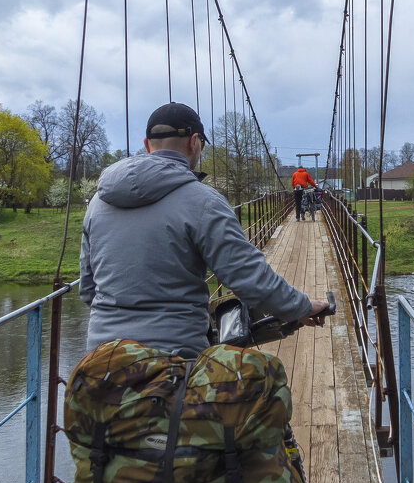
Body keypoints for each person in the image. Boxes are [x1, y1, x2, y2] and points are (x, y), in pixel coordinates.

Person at [80, 102, 329, 356]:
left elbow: (88, 289)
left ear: (147, 145)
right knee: (268, 379)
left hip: (100, 365)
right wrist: (301, 306)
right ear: (194, 142)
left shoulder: (97, 203)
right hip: (173, 366)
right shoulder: (203, 201)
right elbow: (250, 279)